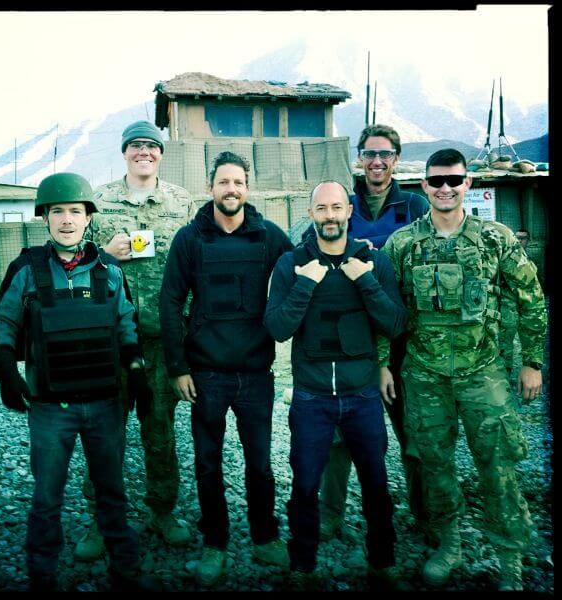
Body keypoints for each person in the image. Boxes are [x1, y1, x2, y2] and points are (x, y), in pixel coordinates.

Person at [0, 173, 160, 592]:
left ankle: (125, 570)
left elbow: (126, 325)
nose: (66, 219)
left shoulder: (109, 272)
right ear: (44, 217)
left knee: (112, 493)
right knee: (46, 499)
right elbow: (1, 322)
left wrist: (136, 372)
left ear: (88, 218)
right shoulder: (26, 269)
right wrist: (5, 367)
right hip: (49, 409)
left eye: (75, 212)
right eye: (58, 211)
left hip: (104, 405)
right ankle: (42, 575)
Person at [381, 149, 547, 591]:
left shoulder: (496, 239)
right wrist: (382, 364)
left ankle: (509, 556)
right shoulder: (403, 244)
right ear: (424, 186)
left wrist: (532, 362)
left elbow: (531, 298)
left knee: (500, 468)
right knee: (434, 465)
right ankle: (448, 542)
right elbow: (385, 309)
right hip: (424, 374)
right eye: (436, 181)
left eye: (454, 180)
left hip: (484, 372)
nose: (445, 188)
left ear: (468, 183)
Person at [159, 151, 293, 587]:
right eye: (223, 183)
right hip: (206, 376)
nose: (231, 189)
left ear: (247, 188)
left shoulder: (269, 237)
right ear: (210, 188)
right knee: (207, 463)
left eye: (238, 182)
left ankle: (265, 536)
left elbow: (302, 275)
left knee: (259, 463)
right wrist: (178, 367)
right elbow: (170, 301)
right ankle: (215, 543)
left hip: (256, 374)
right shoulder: (189, 239)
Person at [264, 181, 407, 589]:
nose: (330, 215)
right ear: (311, 214)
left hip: (362, 396)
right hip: (311, 398)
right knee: (305, 485)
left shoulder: (372, 262)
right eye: (321, 208)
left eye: (337, 207)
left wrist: (365, 281)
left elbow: (395, 324)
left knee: (376, 483)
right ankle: (303, 565)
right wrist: (305, 284)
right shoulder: (290, 264)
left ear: (349, 211)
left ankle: (382, 561)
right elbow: (277, 328)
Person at [75, 120, 196, 560]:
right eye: (136, 146)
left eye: (151, 146)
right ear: (125, 152)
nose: (144, 152)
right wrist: (103, 254)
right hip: (110, 341)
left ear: (160, 154)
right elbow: (73, 259)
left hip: (163, 341)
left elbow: (194, 265)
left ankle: (162, 512)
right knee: (105, 433)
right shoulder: (100, 201)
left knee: (160, 432)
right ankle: (101, 519)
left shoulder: (181, 202)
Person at [317, 124, 430, 542]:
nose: (377, 162)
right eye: (369, 154)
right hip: (353, 342)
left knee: (415, 434)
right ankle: (330, 514)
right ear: (358, 159)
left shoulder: (415, 206)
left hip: (408, 341)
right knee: (340, 434)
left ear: (396, 159)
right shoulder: (342, 204)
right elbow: (310, 243)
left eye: (385, 154)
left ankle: (426, 514)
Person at [499, 229, 532, 374]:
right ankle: (505, 373)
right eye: (517, 238)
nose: (519, 241)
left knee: (529, 342)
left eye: (523, 238)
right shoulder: (506, 258)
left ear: (528, 241)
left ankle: (530, 370)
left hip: (526, 308)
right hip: (509, 307)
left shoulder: (530, 260)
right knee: (505, 343)